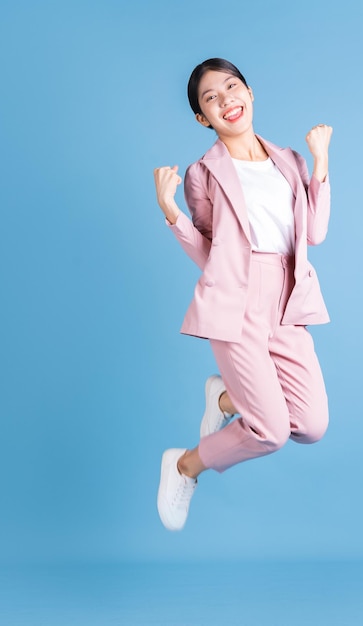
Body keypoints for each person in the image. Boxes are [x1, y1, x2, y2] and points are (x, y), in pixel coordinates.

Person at [153, 58, 333, 531]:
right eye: (211, 98)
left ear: (250, 93)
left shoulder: (290, 161)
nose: (226, 100)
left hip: (288, 299)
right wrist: (173, 215)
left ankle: (226, 401)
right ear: (202, 118)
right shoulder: (203, 174)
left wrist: (321, 162)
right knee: (271, 431)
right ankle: (185, 465)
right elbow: (213, 253)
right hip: (236, 301)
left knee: (311, 425)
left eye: (232, 87)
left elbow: (315, 231)